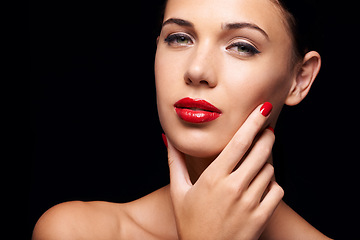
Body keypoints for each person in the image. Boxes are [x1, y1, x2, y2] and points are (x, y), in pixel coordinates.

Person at [32, 0, 332, 239]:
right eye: (179, 38)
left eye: (242, 46)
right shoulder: (77, 232)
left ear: (299, 79)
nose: (197, 70)